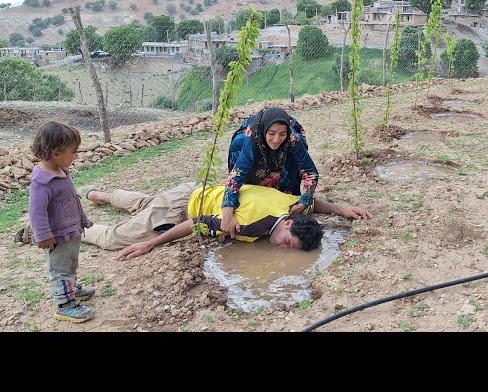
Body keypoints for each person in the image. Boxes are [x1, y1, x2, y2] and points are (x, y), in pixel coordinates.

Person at [81, 182, 371, 259]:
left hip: (193, 189)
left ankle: (100, 195)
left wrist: (342, 210)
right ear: (286, 226)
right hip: (181, 208)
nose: (282, 247)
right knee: (118, 238)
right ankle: (76, 230)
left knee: (147, 204)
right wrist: (150, 244)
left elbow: (313, 204)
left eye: (289, 249)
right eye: (287, 242)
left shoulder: (292, 209)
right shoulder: (247, 224)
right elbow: (195, 224)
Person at [27, 121, 96, 323]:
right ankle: (64, 304)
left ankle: (72, 290)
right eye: (73, 151)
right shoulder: (41, 182)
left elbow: (72, 200)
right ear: (57, 153)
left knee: (70, 263)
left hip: (70, 232)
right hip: (56, 237)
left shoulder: (61, 172)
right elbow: (36, 212)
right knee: (60, 270)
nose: (76, 156)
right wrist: (43, 235)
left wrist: (82, 220)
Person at [221, 107, 319, 237]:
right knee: (240, 150)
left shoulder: (293, 139)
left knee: (293, 166)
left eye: (282, 134)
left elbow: (310, 172)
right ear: (264, 130)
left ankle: (285, 193)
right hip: (254, 151)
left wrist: (304, 201)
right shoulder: (252, 138)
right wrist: (227, 211)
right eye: (272, 134)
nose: (277, 139)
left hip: (284, 154)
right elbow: (237, 175)